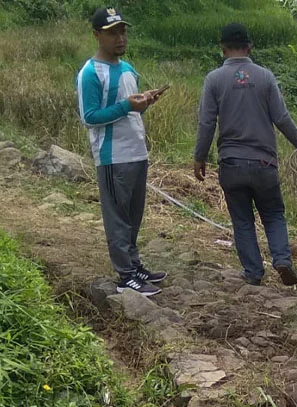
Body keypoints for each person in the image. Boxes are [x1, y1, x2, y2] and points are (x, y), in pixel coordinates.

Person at [193, 23, 297, 286]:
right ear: (250, 48)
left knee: (242, 220)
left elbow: (206, 123)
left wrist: (200, 157)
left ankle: (253, 273)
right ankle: (282, 260)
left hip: (232, 163)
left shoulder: (214, 79)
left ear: (223, 49)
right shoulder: (265, 77)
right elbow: (282, 118)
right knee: (273, 214)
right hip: (264, 164)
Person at [78, 6, 168, 297]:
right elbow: (89, 117)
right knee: (117, 218)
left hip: (136, 152)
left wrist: (143, 102)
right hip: (112, 156)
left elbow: (130, 109)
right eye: (112, 32)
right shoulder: (90, 73)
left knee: (133, 216)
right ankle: (125, 275)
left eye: (122, 31)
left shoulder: (128, 69)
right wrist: (129, 106)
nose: (120, 38)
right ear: (97, 35)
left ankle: (134, 263)